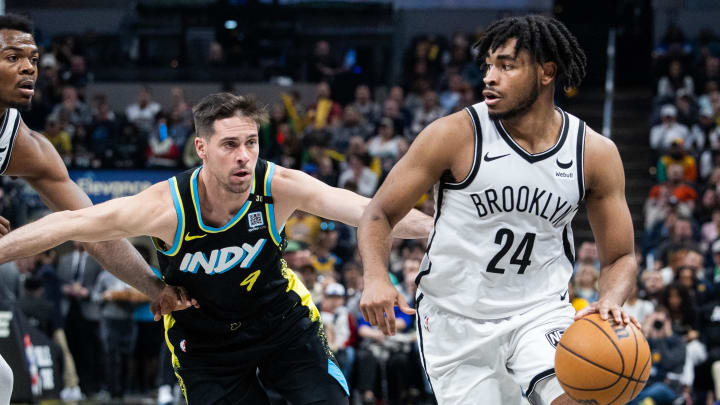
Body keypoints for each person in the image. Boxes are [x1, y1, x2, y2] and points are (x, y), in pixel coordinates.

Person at [0, 92, 432, 405]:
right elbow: (70, 223)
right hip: (204, 341)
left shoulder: (278, 186)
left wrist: (440, 228)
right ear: (202, 149)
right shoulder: (165, 206)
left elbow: (373, 211)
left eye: (251, 143)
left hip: (282, 322)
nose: (244, 156)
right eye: (230, 145)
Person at [358, 15, 639, 405]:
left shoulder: (594, 152)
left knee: (579, 400)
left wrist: (611, 298)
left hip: (539, 311)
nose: (490, 77)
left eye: (506, 66)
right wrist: (375, 277)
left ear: (546, 72)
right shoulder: (454, 134)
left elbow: (621, 255)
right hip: (455, 319)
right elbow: (379, 213)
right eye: (488, 66)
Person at [0, 14, 191, 405]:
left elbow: (96, 231)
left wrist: (157, 290)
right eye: (12, 56)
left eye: (33, 59)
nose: (28, 67)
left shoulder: (26, 147)